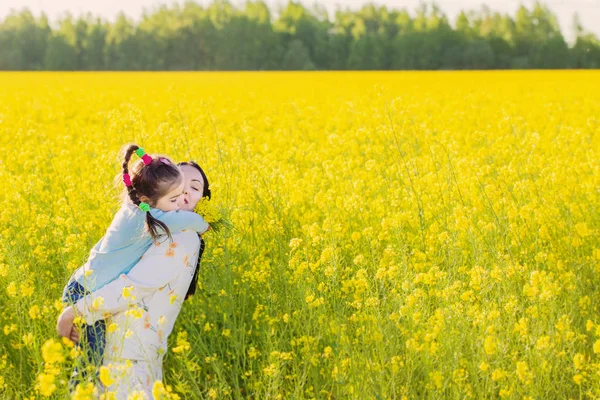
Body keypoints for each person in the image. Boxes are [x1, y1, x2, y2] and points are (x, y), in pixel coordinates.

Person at [58, 159, 213, 398]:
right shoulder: (154, 225)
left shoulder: (181, 237)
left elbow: (134, 286)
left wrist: (75, 312)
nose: (183, 190)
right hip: (126, 356)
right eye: (179, 182)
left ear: (204, 198)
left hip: (127, 360)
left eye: (194, 186)